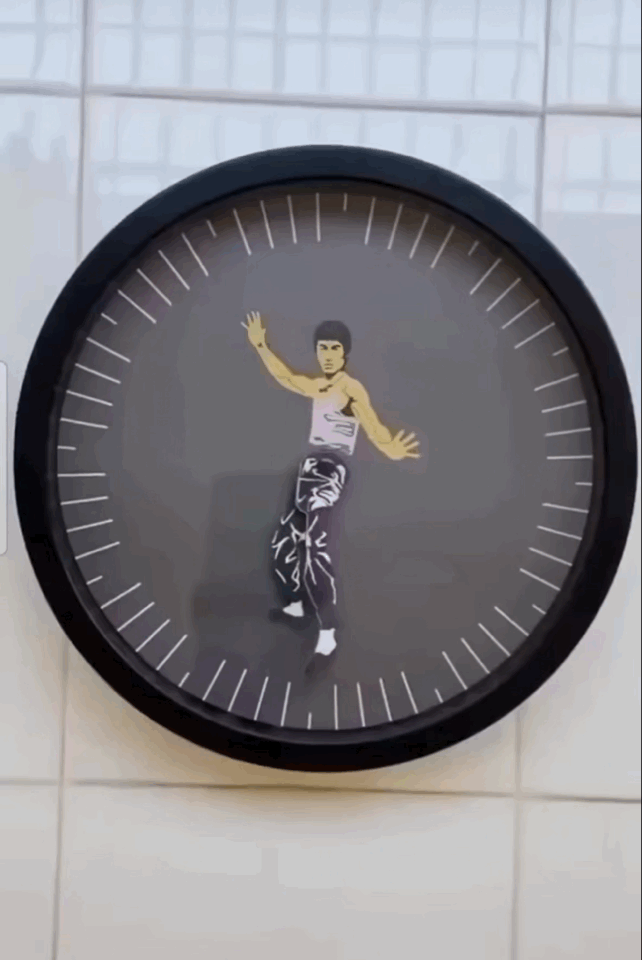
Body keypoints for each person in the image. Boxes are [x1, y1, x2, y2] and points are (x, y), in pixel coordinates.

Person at [243, 311, 421, 662]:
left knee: (316, 547)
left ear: (345, 353)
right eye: (322, 348)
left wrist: (391, 448)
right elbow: (288, 378)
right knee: (284, 540)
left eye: (334, 348)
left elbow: (373, 426)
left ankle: (328, 631)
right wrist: (261, 346)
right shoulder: (321, 385)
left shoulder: (350, 389)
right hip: (309, 469)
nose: (327, 354)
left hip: (329, 470)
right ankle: (296, 605)